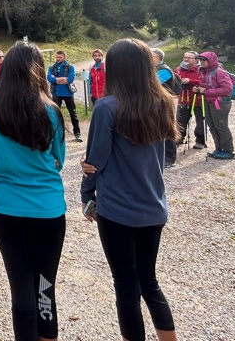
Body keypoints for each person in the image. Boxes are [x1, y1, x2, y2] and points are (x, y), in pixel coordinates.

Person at [80, 38, 178, 341]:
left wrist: (86, 192)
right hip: (154, 205)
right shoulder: (165, 101)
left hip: (117, 210)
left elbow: (96, 160)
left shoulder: (106, 107)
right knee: (149, 281)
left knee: (126, 287)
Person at [0, 41, 66, 341]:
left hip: (8, 209)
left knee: (20, 286)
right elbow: (59, 161)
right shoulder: (50, 110)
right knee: (44, 286)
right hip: (49, 209)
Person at [195, 52, 235, 159]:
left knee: (221, 127)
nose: (202, 62)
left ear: (211, 61)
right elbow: (205, 85)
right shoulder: (204, 72)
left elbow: (227, 89)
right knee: (212, 127)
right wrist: (198, 88)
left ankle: (229, 151)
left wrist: (207, 91)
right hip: (209, 102)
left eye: (205, 60)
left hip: (220, 103)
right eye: (201, 59)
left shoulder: (220, 72)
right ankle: (219, 148)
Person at [47, 50, 82, 141]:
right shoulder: (52, 67)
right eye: (57, 57)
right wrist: (63, 79)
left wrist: (57, 79)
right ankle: (55, 135)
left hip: (68, 94)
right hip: (56, 94)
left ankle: (77, 133)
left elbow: (70, 79)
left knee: (73, 114)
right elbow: (50, 78)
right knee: (54, 115)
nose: (58, 59)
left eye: (60, 57)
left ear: (64, 58)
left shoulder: (70, 67)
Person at [151, 48, 178, 168]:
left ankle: (170, 158)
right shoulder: (154, 69)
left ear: (157, 57)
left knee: (167, 129)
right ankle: (160, 156)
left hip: (164, 104)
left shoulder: (164, 70)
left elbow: (152, 84)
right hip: (155, 103)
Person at [173, 51, 206, 149]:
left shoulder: (202, 70)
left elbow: (205, 81)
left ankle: (200, 141)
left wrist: (190, 81)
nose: (186, 59)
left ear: (196, 60)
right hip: (183, 99)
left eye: (189, 58)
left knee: (200, 121)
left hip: (199, 99)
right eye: (184, 57)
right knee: (180, 120)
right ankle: (179, 137)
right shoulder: (178, 69)